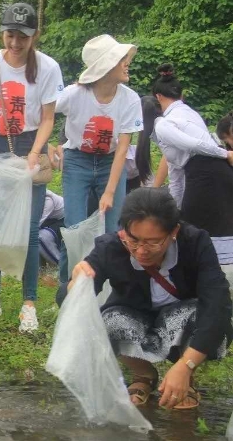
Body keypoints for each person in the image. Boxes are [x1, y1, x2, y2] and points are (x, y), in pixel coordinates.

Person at [68, 188, 232, 409]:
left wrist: (186, 365)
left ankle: (184, 378)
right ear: (124, 230)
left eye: (153, 242)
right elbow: (72, 302)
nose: (141, 251)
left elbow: (217, 302)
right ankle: (143, 374)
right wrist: (76, 284)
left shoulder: (195, 242)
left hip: (181, 321)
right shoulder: (110, 248)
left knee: (201, 314)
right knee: (107, 320)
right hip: (136, 318)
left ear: (174, 231)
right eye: (133, 240)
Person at [0, 3, 64, 329]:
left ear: (34, 35)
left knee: (30, 227)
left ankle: (29, 304)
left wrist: (35, 153)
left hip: (29, 145)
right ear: (2, 33)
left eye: (22, 36)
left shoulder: (48, 68)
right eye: (10, 35)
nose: (15, 43)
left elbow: (49, 117)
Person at [56, 34, 143, 303]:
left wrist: (110, 191)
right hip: (77, 161)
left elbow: (124, 146)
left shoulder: (129, 99)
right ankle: (66, 289)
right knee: (74, 226)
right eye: (122, 60)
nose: (127, 63)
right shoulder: (74, 95)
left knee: (114, 229)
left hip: (109, 163)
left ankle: (107, 293)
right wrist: (46, 148)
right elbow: (44, 113)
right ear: (106, 67)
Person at [135, 65, 233, 268]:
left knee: (197, 228)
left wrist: (226, 153)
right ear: (183, 94)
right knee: (203, 222)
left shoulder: (164, 124)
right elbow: (176, 171)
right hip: (212, 173)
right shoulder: (187, 113)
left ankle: (207, 272)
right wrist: (176, 208)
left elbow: (195, 145)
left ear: (159, 97)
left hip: (206, 173)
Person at [38, 190, 65, 266]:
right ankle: (40, 271)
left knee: (41, 237)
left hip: (63, 220)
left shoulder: (48, 200)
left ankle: (59, 265)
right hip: (49, 220)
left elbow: (34, 226)